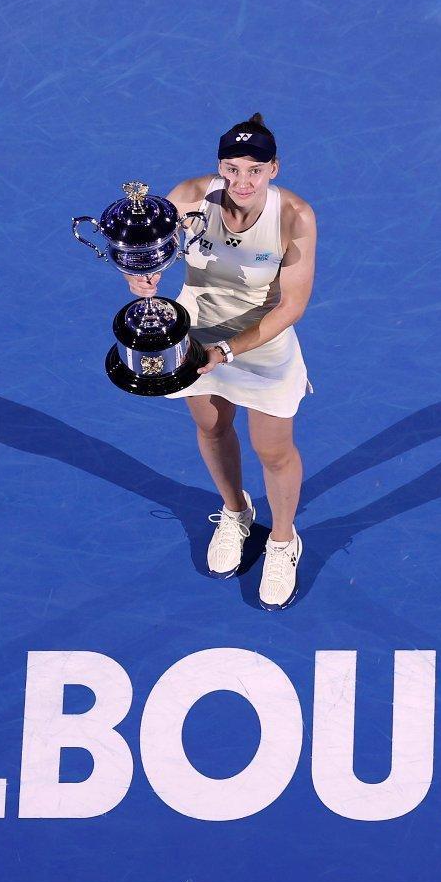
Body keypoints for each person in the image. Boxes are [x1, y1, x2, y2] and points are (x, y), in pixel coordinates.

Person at [126, 113, 317, 607]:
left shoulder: (295, 216)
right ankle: (236, 511)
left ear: (274, 169)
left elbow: (292, 306)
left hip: (262, 343)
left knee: (273, 451)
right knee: (212, 427)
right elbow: (150, 248)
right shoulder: (190, 196)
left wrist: (229, 350)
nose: (242, 181)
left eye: (255, 170)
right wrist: (141, 275)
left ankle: (282, 540)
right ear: (219, 166)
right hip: (195, 333)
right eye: (232, 169)